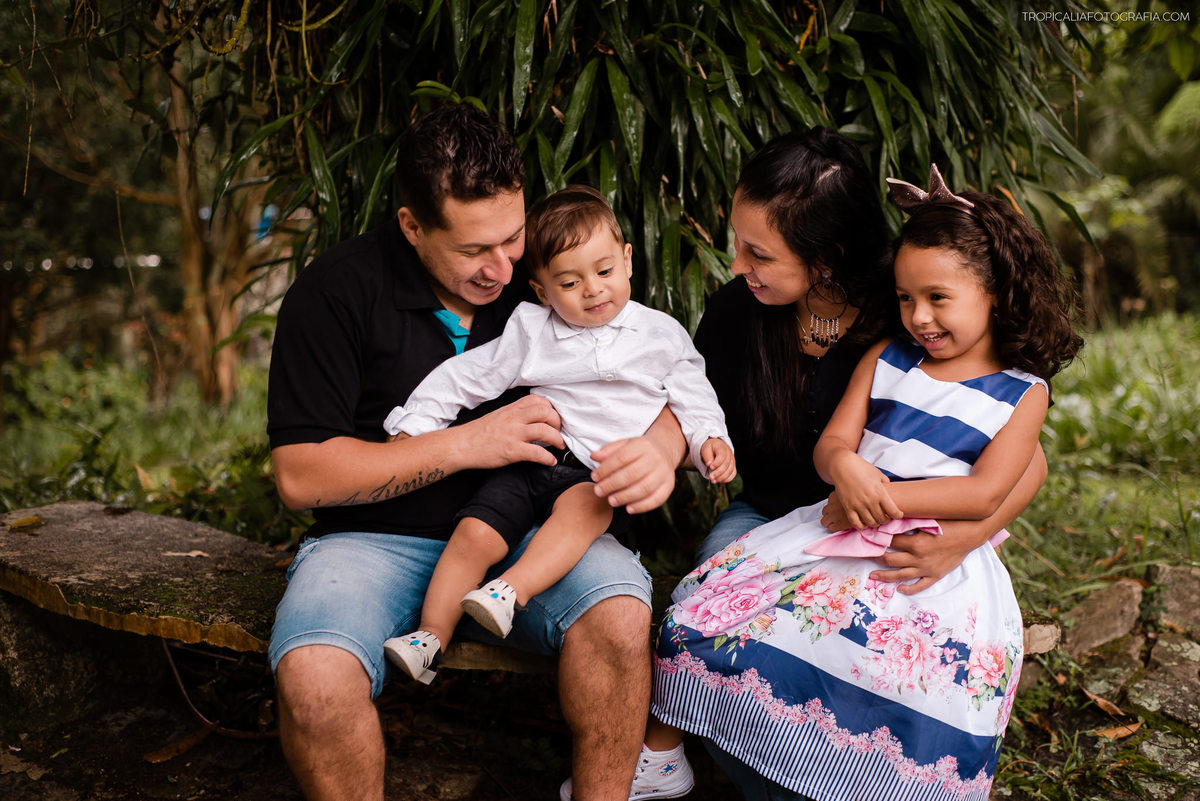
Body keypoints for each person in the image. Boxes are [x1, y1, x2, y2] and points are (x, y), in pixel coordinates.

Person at [266, 103, 686, 801]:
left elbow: (666, 371)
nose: (501, 268)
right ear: (412, 225)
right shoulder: (334, 293)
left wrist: (660, 447)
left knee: (619, 615)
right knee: (313, 676)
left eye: (512, 237)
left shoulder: (554, 274)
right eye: (472, 251)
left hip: (534, 532)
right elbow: (301, 476)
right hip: (372, 542)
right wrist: (466, 443)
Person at [648, 164, 1083, 801]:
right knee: (707, 611)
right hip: (833, 526)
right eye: (906, 298)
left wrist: (882, 502)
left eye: (938, 298)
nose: (918, 316)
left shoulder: (1021, 394)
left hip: (928, 550)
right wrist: (846, 469)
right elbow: (835, 446)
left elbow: (987, 492)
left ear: (996, 292)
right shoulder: (886, 356)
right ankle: (701, 762)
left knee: (899, 676)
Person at [380, 185, 736, 684]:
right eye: (570, 283)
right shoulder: (532, 329)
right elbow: (466, 376)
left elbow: (693, 397)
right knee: (473, 534)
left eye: (605, 271)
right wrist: (415, 424)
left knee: (584, 509)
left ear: (628, 261)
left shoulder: (660, 335)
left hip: (596, 475)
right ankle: (429, 638)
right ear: (543, 291)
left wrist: (709, 441)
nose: (592, 289)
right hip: (536, 459)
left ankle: (508, 593)